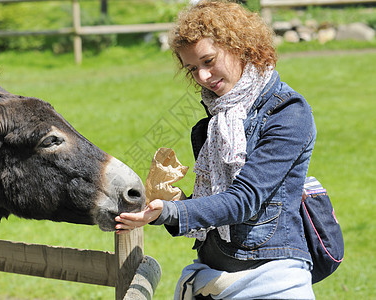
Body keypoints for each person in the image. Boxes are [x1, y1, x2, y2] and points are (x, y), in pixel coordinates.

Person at [115, 1, 316, 299]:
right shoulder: (215, 122)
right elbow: (214, 208)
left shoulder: (288, 113)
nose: (203, 77)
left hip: (272, 282)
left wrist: (170, 212)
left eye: (209, 61)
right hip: (211, 279)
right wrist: (171, 202)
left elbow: (244, 201)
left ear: (240, 46)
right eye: (192, 68)